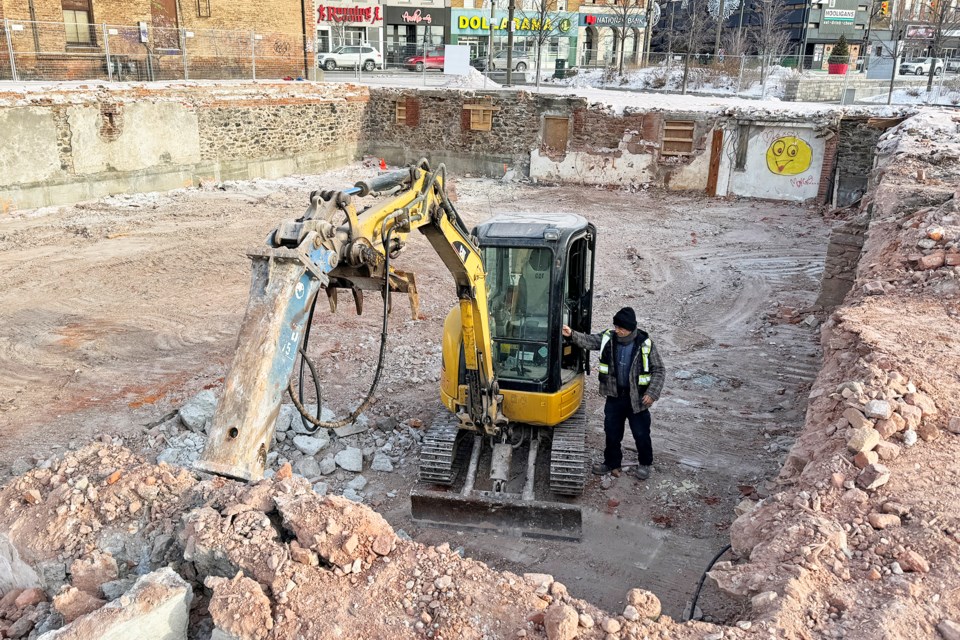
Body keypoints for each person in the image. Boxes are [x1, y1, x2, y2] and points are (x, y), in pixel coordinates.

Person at [562, 307, 665, 480]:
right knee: (612, 432)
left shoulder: (645, 344)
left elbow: (659, 370)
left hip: (637, 399)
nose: (617, 330)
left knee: (641, 433)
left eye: (620, 328)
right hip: (615, 397)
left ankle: (645, 463)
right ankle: (611, 463)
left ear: (630, 328)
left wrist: (652, 393)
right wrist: (571, 334)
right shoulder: (609, 338)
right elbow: (589, 340)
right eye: (615, 326)